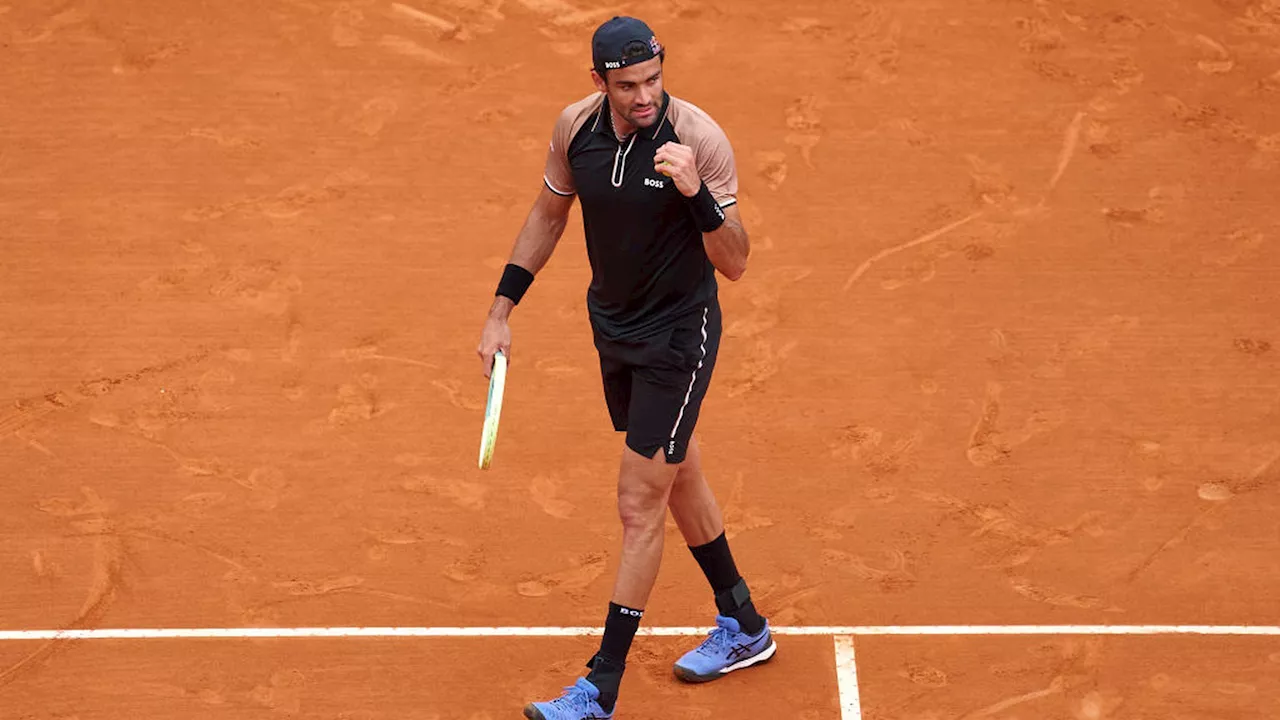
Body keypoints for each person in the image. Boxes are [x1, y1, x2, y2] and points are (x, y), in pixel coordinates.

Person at [475, 16, 775, 720]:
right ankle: (744, 625)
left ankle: (600, 686)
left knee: (639, 501)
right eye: (627, 85)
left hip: (679, 335)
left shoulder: (698, 137)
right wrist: (500, 310)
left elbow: (734, 262)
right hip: (614, 329)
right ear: (599, 82)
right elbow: (549, 215)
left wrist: (696, 192)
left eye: (652, 80)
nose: (644, 97)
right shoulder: (575, 128)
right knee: (679, 473)